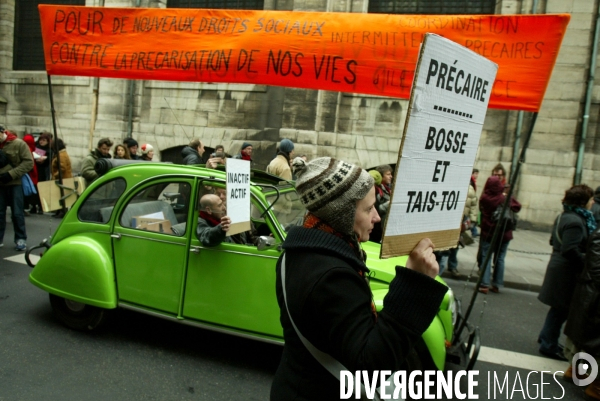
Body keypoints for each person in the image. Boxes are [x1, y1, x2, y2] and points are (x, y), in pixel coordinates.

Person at [270, 157, 447, 400]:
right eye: (368, 209)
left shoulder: (300, 253)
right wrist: (414, 284)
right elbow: (372, 364)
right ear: (342, 214)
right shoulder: (331, 276)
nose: (376, 217)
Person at [538, 184, 595, 361]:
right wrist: (588, 259)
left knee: (558, 308)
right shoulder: (576, 222)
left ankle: (546, 338)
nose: (593, 202)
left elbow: (553, 241)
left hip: (559, 267)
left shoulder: (565, 216)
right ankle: (548, 344)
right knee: (561, 310)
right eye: (590, 199)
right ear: (583, 202)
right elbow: (570, 250)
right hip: (566, 272)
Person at [563, 225, 600, 399]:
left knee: (588, 337)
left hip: (593, 294)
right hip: (594, 295)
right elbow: (597, 269)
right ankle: (596, 385)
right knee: (591, 338)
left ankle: (577, 371)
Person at [478, 175, 521, 294]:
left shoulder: (484, 198)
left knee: (486, 257)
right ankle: (496, 284)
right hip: (504, 233)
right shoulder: (504, 198)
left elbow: (481, 210)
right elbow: (517, 207)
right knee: (500, 258)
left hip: (489, 232)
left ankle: (484, 284)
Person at [0, 127, 34, 251]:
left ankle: (21, 239)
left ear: (2, 132)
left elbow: (28, 163)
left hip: (15, 183)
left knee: (17, 213)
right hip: (0, 184)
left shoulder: (19, 144)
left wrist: (11, 174)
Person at [21, 134, 39, 216]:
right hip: (29, 173)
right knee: (27, 190)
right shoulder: (29, 149)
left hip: (25, 172)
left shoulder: (23, 148)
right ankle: (24, 208)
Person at [470, 168, 480, 237]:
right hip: (469, 203)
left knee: (469, 218)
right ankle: (474, 231)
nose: (477, 175)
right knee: (470, 218)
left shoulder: (473, 181)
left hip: (470, 202)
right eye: (476, 174)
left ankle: (474, 231)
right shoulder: (471, 181)